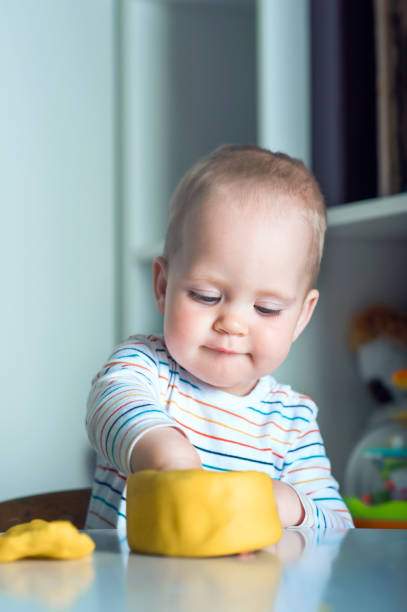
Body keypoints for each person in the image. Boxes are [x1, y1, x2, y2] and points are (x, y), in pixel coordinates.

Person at [85, 144, 353, 530]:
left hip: (242, 591)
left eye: (266, 309)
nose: (232, 323)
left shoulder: (292, 422)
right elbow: (110, 405)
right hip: (124, 587)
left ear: (301, 316)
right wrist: (164, 452)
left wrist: (288, 504)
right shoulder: (145, 365)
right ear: (163, 286)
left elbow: (340, 528)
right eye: (205, 296)